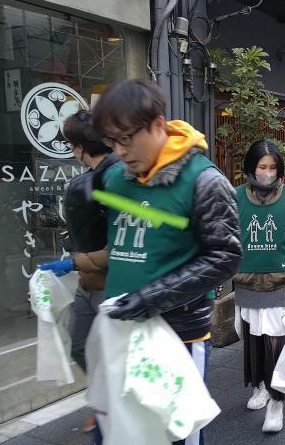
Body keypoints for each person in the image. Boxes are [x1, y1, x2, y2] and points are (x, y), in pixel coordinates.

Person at [91, 80, 242, 444]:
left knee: (174, 434)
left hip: (177, 335)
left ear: (158, 125)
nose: (119, 151)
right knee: (115, 433)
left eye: (126, 138)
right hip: (119, 331)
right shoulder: (114, 176)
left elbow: (226, 256)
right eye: (111, 142)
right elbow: (109, 242)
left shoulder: (203, 181)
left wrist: (150, 298)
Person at [38, 109, 119, 436]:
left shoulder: (115, 180)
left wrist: (73, 262)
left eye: (72, 143)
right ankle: (104, 401)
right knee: (80, 344)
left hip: (111, 286)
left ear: (81, 145)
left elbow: (122, 248)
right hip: (88, 283)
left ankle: (112, 409)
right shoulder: (90, 180)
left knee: (114, 354)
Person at [234, 140, 285, 432]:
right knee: (253, 341)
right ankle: (259, 386)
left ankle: (277, 401)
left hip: (280, 284)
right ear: (251, 168)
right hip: (246, 284)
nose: (267, 173)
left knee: (275, 343)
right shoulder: (235, 197)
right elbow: (226, 240)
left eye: (273, 167)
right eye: (262, 167)